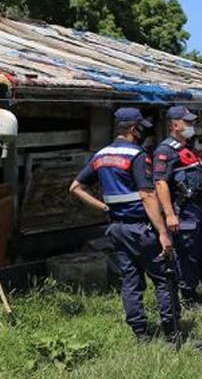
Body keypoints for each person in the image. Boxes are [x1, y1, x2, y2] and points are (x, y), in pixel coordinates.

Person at [69, 108, 179, 343]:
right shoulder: (136, 155)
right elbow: (148, 196)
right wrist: (163, 232)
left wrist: (105, 207)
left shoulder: (101, 156)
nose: (142, 132)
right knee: (164, 277)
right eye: (140, 127)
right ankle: (173, 334)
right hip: (141, 228)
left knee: (131, 281)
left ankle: (141, 334)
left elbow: (75, 187)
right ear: (131, 128)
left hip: (117, 229)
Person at [153, 106, 202, 306]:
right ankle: (189, 296)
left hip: (198, 209)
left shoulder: (189, 149)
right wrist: (170, 214)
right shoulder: (165, 151)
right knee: (186, 254)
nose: (192, 125)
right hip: (183, 211)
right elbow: (160, 183)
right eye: (187, 122)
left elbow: (199, 180)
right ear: (174, 125)